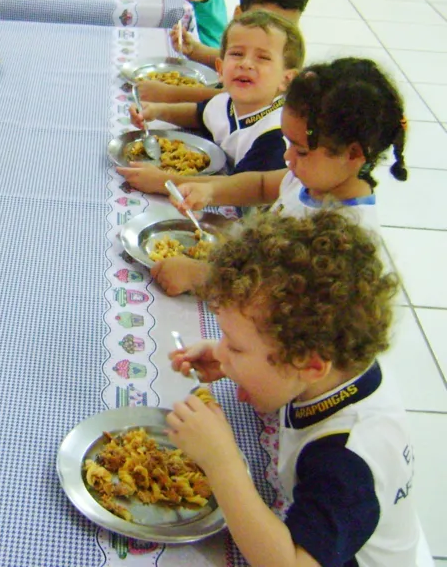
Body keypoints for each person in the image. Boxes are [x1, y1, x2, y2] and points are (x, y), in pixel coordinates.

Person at [167, 211, 433, 567]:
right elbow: (281, 369)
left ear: (309, 364)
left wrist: (221, 462)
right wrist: (228, 360)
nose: (222, 351)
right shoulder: (338, 365)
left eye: (236, 346)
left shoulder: (345, 463)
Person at [151, 58, 407, 295]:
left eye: (302, 150)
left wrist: (202, 275)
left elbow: (280, 296)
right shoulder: (312, 180)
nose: (287, 156)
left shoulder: (346, 235)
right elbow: (261, 185)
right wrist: (211, 191)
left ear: (354, 154)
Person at [120, 9, 303, 194]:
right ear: (220, 69)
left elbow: (244, 188)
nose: (245, 64)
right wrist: (159, 111)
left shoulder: (274, 135)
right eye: (237, 54)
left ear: (286, 79)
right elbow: (200, 114)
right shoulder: (229, 101)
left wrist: (167, 183)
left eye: (263, 58)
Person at [139, 0, 310, 103]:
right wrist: (196, 51)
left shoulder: (287, 68)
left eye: (288, 27)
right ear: (239, 16)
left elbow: (225, 101)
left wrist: (169, 94)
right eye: (264, 25)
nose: (276, 35)